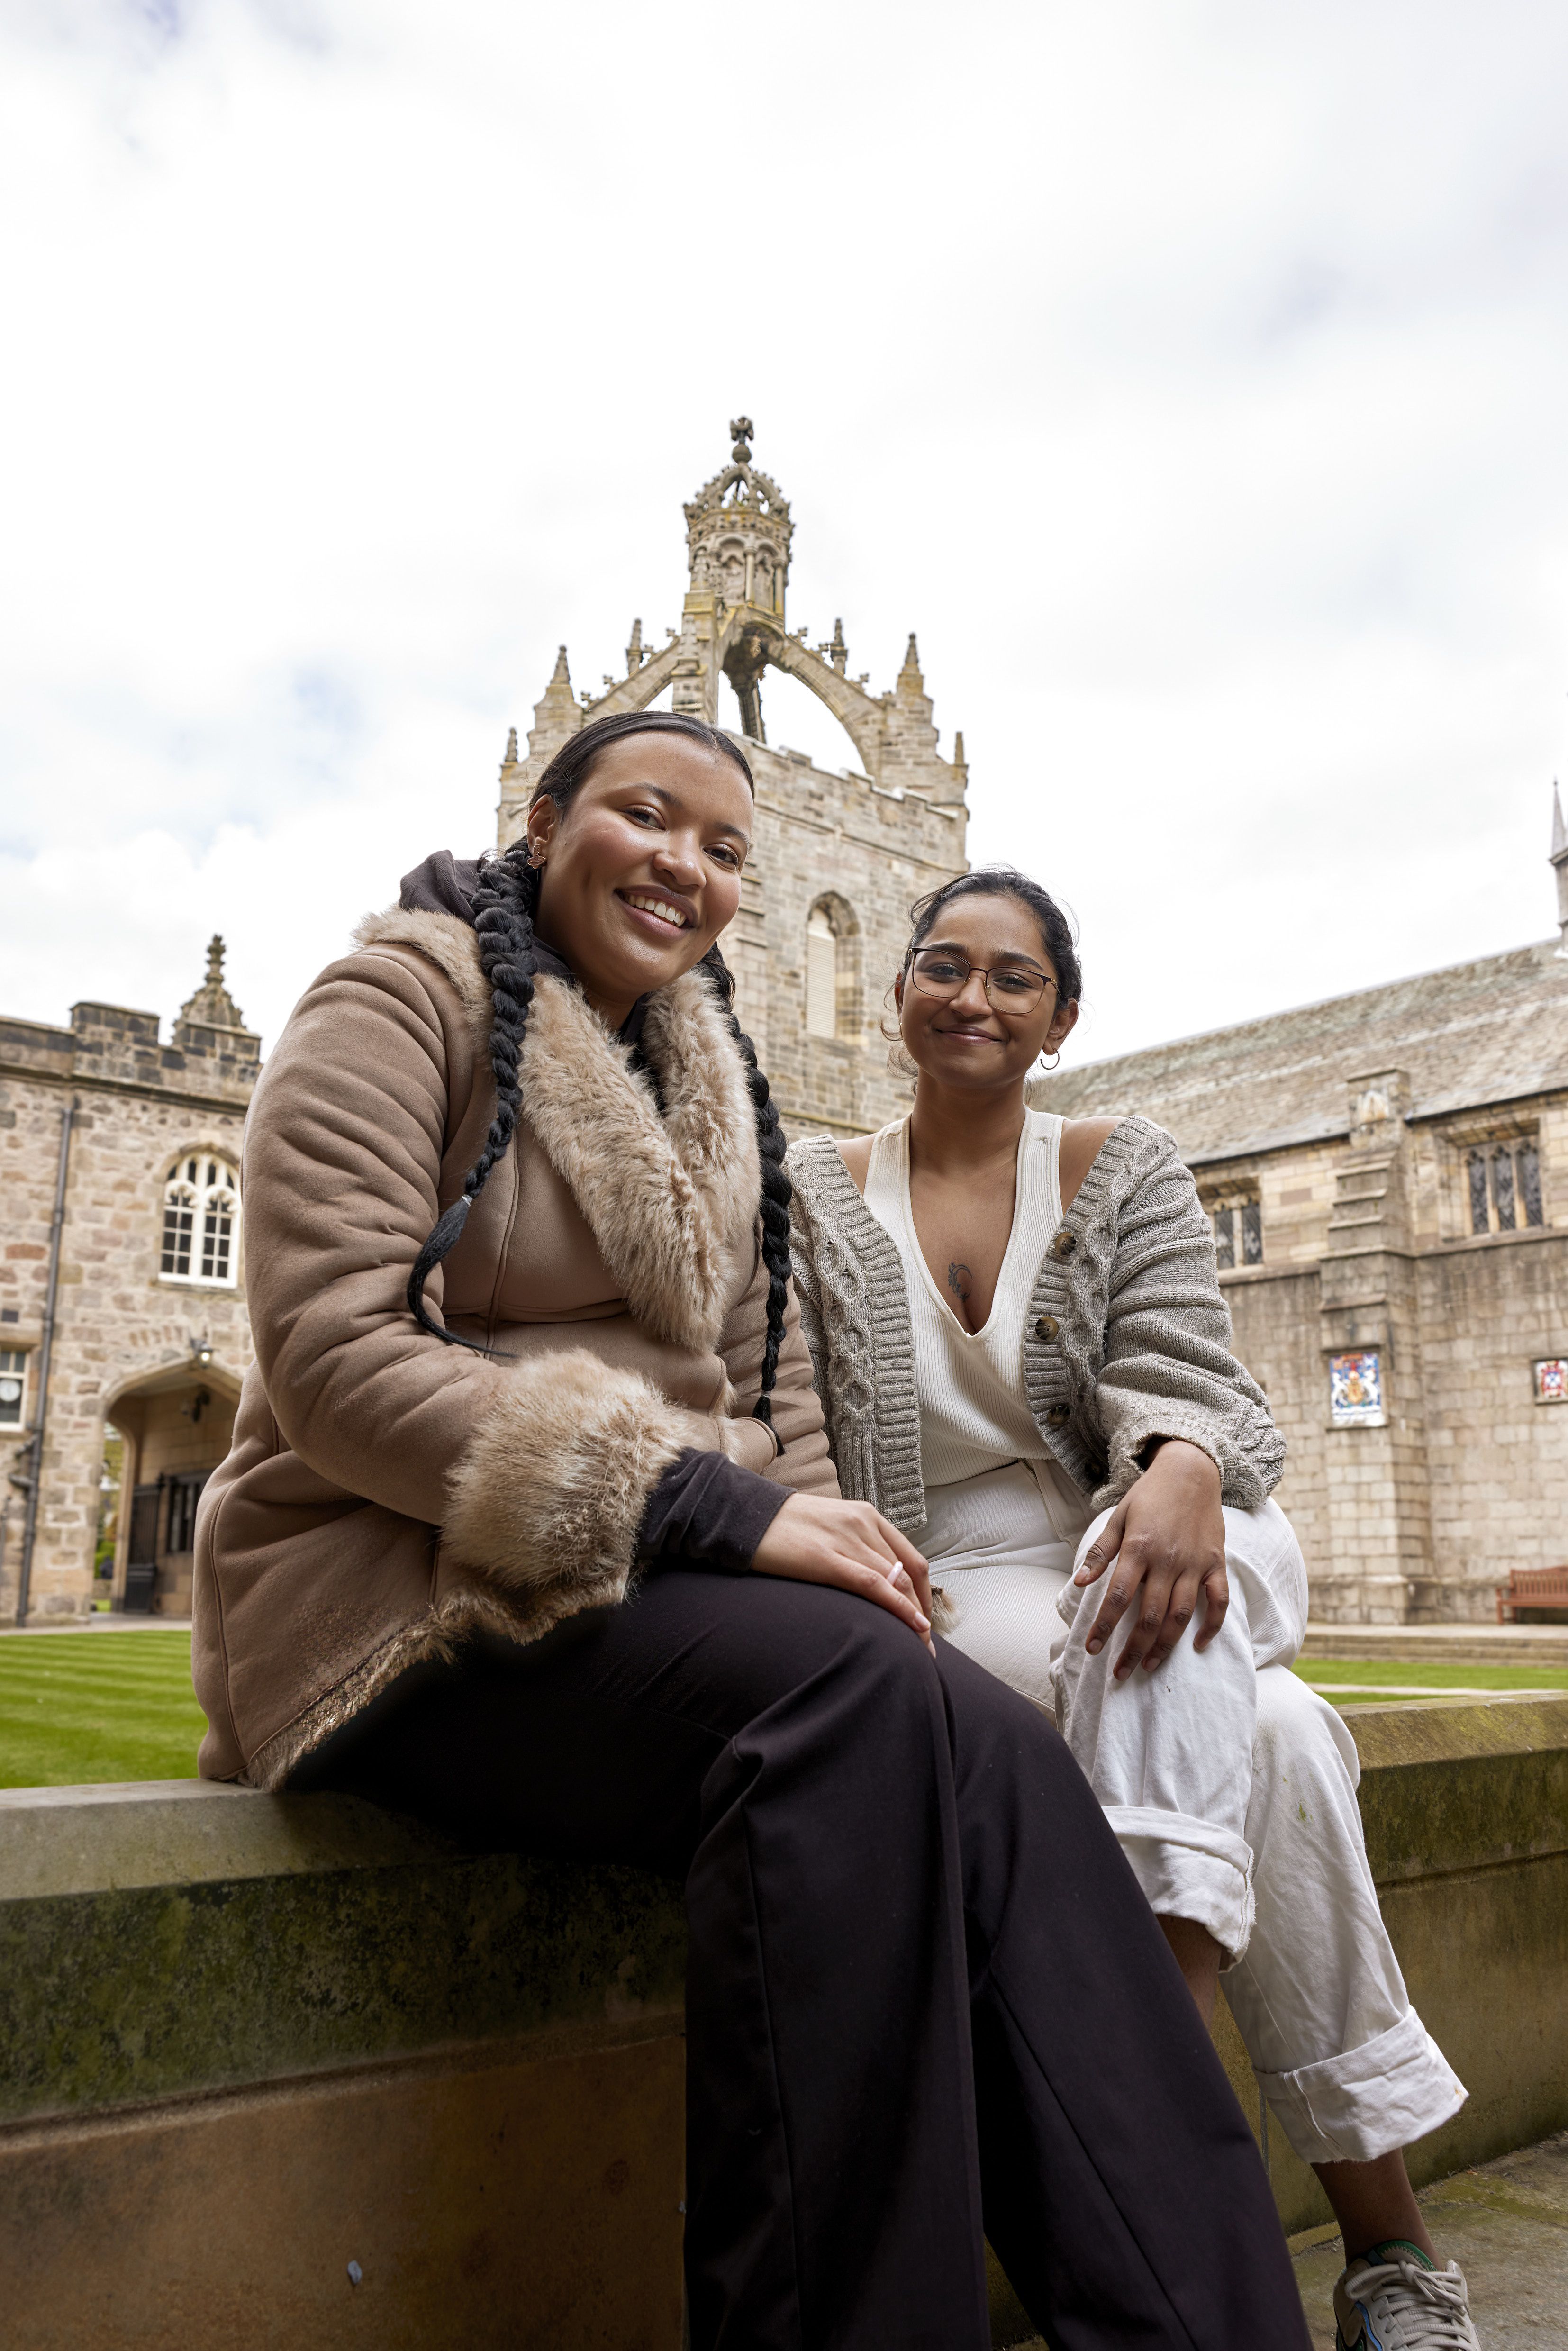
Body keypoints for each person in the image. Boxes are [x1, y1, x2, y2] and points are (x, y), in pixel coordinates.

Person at [192, 725, 1308, 2351]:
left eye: (725, 848)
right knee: (853, 1709)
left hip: (649, 1587)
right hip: (404, 1591)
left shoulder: (718, 1083)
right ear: (546, 817)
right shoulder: (400, 1000)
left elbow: (766, 1384)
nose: (685, 865)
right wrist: (713, 1508)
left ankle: (1214, 2330)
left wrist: (817, 1530)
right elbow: (335, 1357)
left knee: (991, 1747)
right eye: (646, 815)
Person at [786, 865, 1481, 2351]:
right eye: (946, 965)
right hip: (956, 1580)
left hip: (1165, 1509)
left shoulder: (1126, 1159)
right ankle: (1392, 2258)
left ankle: (1144, 2056)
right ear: (899, 989)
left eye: (1013, 976)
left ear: (1061, 1015)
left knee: (1163, 1597)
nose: (974, 995)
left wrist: (1182, 1461)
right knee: (1284, 1739)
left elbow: (1183, 1355)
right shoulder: (812, 1196)